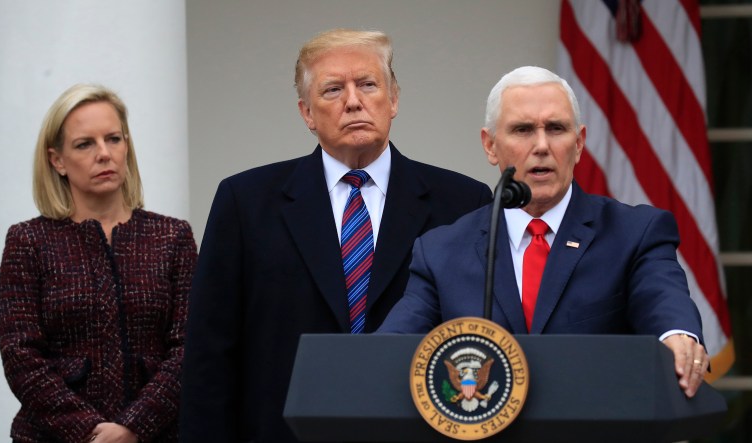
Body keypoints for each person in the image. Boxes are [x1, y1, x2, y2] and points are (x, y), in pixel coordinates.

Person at [179, 28, 493, 443]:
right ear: (306, 113)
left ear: (393, 99)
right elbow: (209, 351)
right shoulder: (245, 202)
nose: (353, 101)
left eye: (367, 84)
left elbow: (480, 336)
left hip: (419, 429)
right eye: (332, 90)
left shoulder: (464, 201)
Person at [378, 66, 709, 398]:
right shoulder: (442, 251)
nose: (541, 146)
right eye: (523, 130)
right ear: (490, 146)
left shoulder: (634, 234)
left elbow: (663, 297)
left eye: (556, 129)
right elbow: (388, 352)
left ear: (578, 143)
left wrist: (677, 336)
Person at [0, 84, 198, 443]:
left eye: (114, 139)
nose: (104, 154)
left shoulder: (172, 236)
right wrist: (87, 431)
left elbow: (190, 346)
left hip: (158, 435)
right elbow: (19, 353)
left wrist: (134, 427)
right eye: (84, 144)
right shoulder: (29, 241)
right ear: (56, 160)